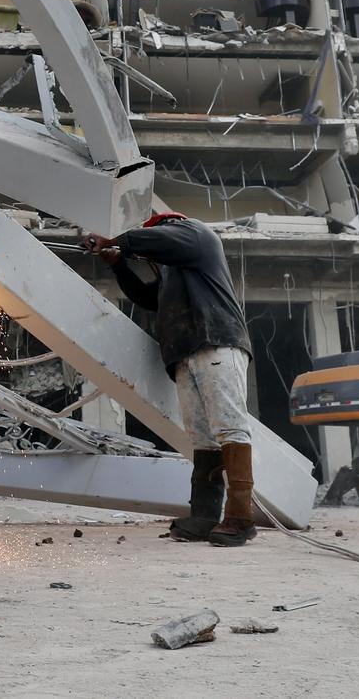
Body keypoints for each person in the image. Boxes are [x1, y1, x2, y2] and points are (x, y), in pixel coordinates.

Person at [87, 210, 260, 547]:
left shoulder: (196, 234)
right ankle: (204, 517)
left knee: (229, 426)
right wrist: (117, 263)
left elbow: (160, 240)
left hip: (217, 341)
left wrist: (121, 240)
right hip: (186, 352)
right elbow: (146, 297)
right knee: (202, 436)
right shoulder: (174, 273)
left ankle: (240, 517)